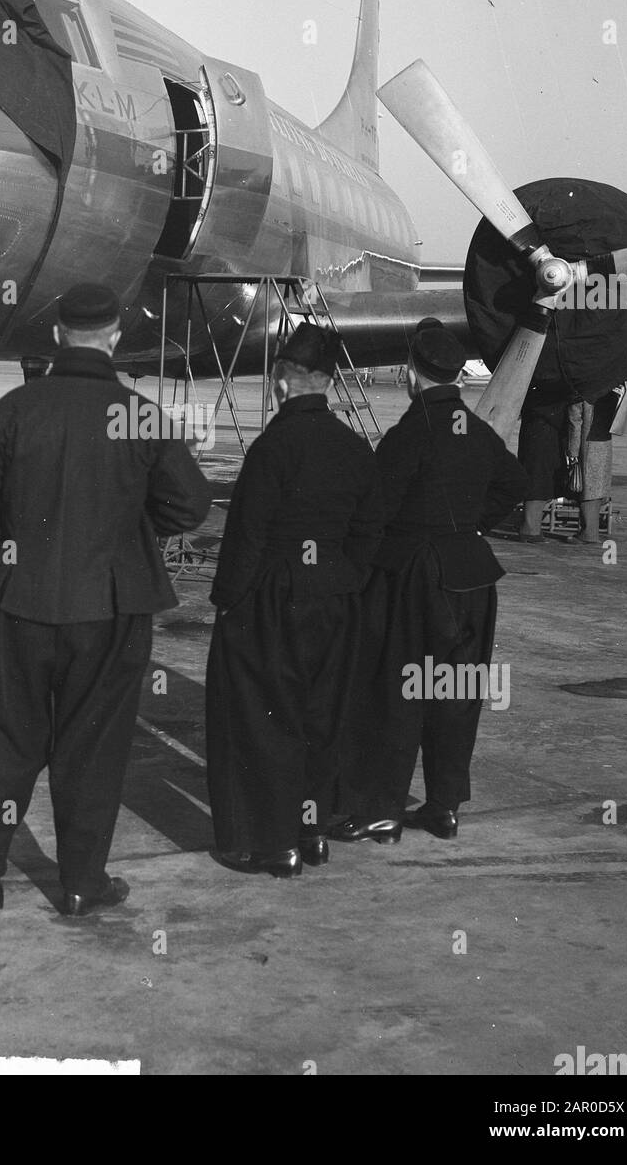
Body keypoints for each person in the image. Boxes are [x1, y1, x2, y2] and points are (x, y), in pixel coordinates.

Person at [0, 283, 212, 915]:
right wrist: (129, 530)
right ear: (114, 338)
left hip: (14, 604)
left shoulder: (14, 410)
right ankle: (83, 882)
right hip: (110, 610)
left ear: (56, 336)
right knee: (94, 745)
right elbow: (191, 504)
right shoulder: (139, 414)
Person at [333, 319, 528, 845]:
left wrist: (361, 567)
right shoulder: (477, 430)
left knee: (397, 691)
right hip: (473, 577)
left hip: (416, 578)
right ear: (456, 374)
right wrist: (473, 525)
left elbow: (374, 511)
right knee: (458, 692)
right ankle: (443, 806)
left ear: (412, 373)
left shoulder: (409, 433)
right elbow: (517, 482)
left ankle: (382, 810)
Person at [205, 324, 384, 877]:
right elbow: (370, 528)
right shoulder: (355, 447)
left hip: (273, 598)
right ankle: (313, 832)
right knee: (322, 717)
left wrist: (229, 601)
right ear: (327, 383)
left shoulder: (272, 447)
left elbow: (247, 534)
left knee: (265, 720)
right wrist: (344, 575)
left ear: (282, 384)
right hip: (335, 595)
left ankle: (274, 842)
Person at [565, 385, 625, 545]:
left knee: (588, 488)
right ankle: (591, 530)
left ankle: (588, 533)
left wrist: (572, 452)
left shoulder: (582, 391)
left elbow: (575, 423)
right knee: (598, 487)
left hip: (587, 443)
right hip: (604, 441)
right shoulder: (613, 386)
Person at [516, 390, 569, 542]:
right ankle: (530, 529)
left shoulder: (537, 381)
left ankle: (531, 526)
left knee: (538, 478)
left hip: (537, 430)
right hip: (545, 433)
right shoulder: (550, 386)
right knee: (540, 480)